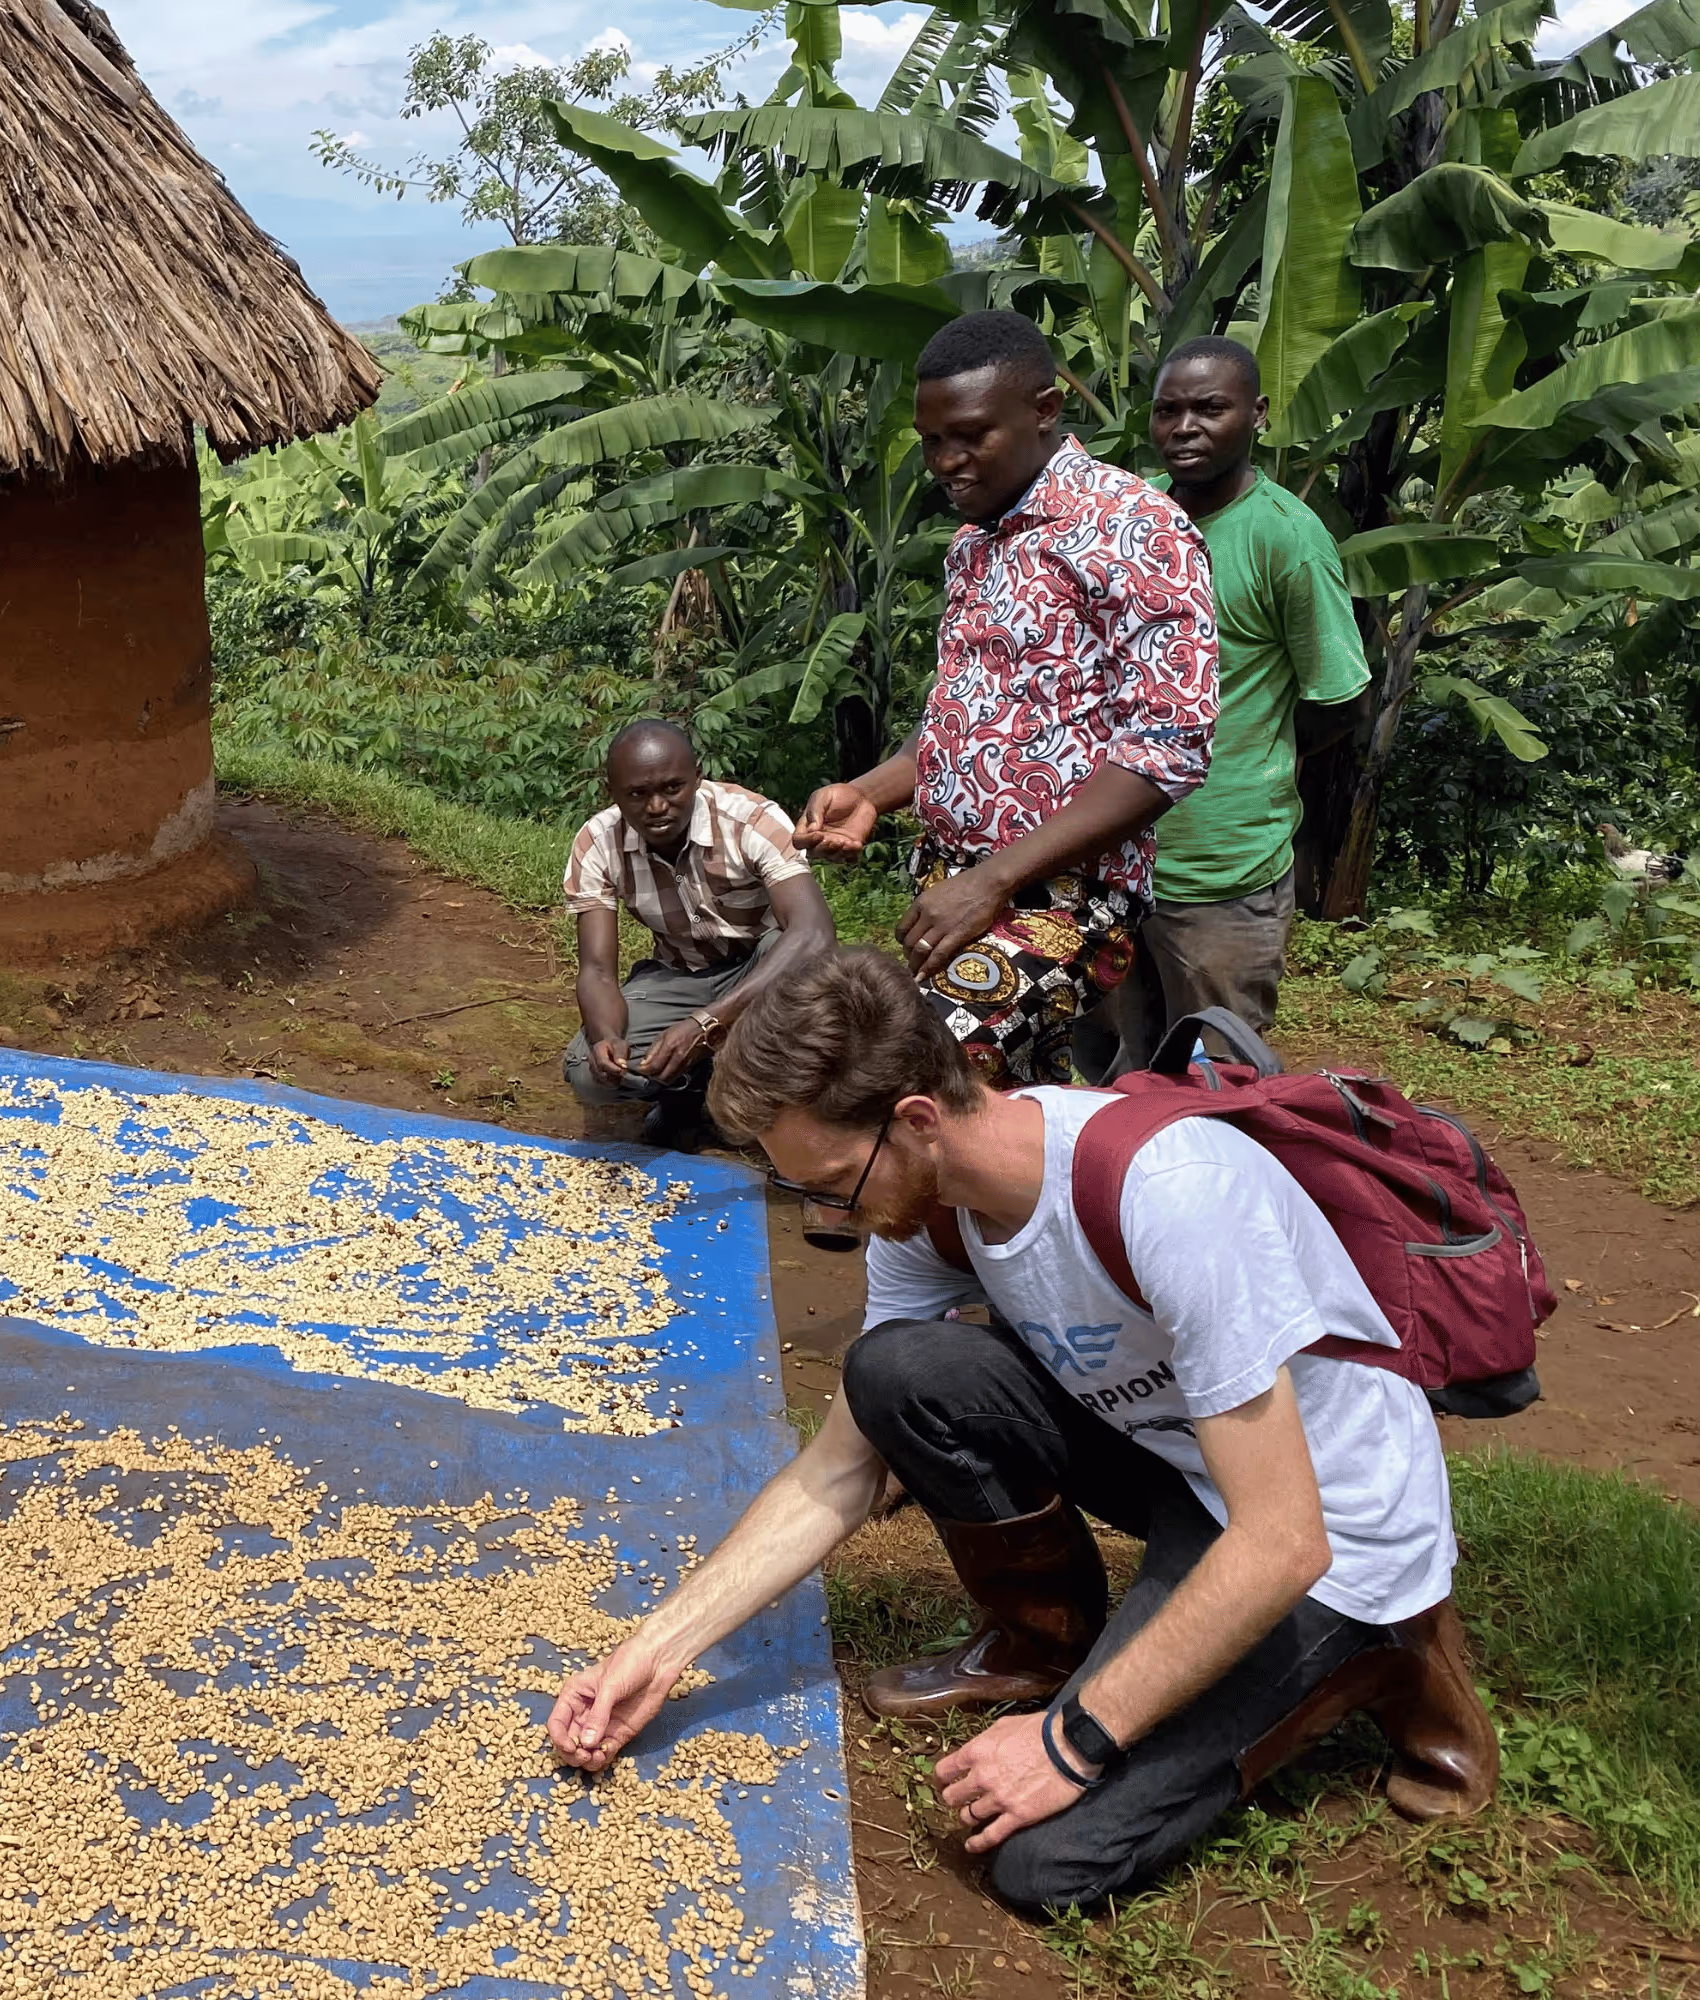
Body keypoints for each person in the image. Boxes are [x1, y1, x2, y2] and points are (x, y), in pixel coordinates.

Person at [543, 948, 1495, 1915]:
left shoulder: (1171, 1194)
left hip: (1323, 1527)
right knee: (895, 1373)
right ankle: (1044, 1648)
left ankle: (1388, 1647)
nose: (830, 1218)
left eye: (833, 1183)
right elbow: (839, 1471)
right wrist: (657, 1651)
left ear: (916, 1119)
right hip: (1179, 1454)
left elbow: (1283, 1539)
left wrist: (1067, 1742)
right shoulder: (933, 1208)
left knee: (1043, 1862)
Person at [796, 311, 1219, 1086]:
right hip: (952, 884)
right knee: (1021, 1112)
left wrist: (992, 881)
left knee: (922, 1066)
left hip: (1067, 902)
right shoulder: (976, 543)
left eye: (970, 436)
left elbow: (1169, 750)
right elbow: (966, 723)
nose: (945, 461)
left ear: (1045, 410)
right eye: (931, 440)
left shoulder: (1132, 527)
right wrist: (868, 794)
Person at [1103, 336, 1371, 1072]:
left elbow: (1338, 699)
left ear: (1255, 414)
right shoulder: (1137, 522)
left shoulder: (1284, 538)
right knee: (1114, 1074)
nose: (1184, 427)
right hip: (1116, 857)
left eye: (1209, 408)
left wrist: (1243, 760)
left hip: (1222, 868)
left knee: (1216, 1080)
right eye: (1167, 411)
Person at [562, 719, 835, 1148]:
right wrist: (607, 1038)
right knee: (587, 1070)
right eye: (638, 794)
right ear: (612, 792)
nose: (657, 807)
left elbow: (814, 933)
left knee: (802, 961)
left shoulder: (749, 819)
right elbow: (596, 971)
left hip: (764, 972)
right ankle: (685, 1093)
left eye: (672, 788)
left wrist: (705, 1024)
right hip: (681, 974)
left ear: (697, 776)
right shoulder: (598, 843)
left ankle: (781, 1113)